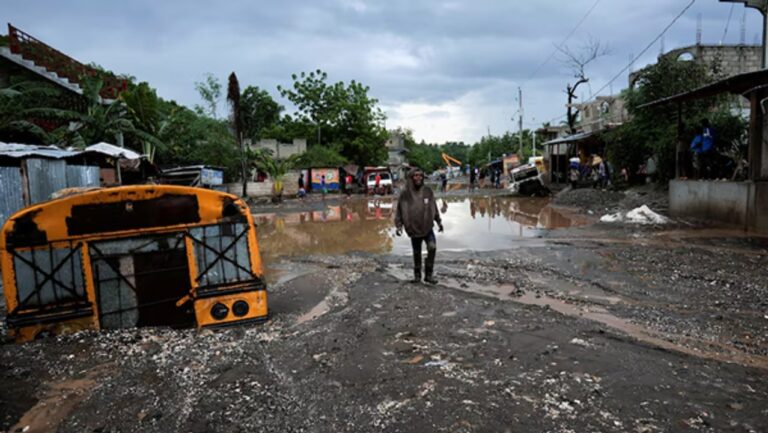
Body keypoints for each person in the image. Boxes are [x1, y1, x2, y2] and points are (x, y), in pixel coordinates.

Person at [395, 168, 444, 284]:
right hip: (413, 228)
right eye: (415, 176)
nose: (418, 178)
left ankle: (429, 275)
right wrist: (399, 225)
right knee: (416, 253)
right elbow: (399, 211)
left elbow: (434, 207)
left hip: (427, 226)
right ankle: (417, 276)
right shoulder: (405, 194)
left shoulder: (428, 191)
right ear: (411, 178)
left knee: (432, 247)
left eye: (420, 175)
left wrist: (439, 221)